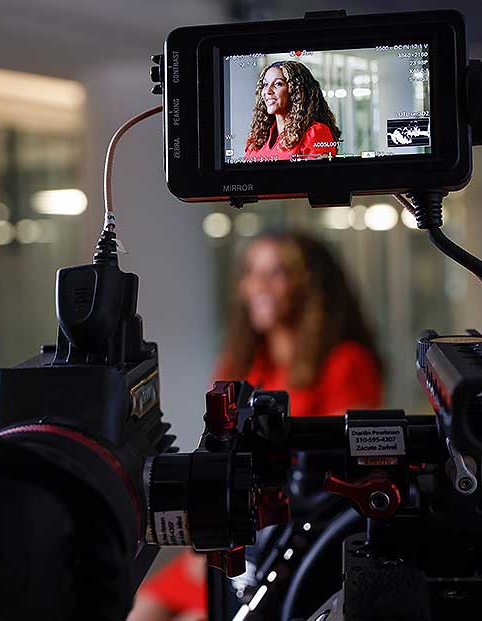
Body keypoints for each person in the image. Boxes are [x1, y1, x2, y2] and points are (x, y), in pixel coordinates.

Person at [128, 231, 383, 621]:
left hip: (289, 545)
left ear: (309, 284)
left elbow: (345, 485)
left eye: (277, 272)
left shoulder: (346, 363)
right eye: (251, 272)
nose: (258, 286)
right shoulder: (242, 362)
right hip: (231, 536)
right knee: (140, 611)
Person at [244, 61, 342, 162]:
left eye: (278, 84)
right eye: (265, 84)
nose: (268, 91)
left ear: (297, 92)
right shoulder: (258, 138)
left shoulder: (315, 132)